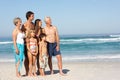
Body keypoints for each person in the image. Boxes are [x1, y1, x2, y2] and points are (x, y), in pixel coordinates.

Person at [22, 11, 35, 76]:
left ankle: (31, 71)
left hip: (33, 43)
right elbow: (21, 34)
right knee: (26, 58)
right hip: (26, 43)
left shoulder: (33, 24)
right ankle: (27, 71)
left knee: (32, 58)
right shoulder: (25, 24)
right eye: (32, 16)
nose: (33, 17)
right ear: (28, 16)